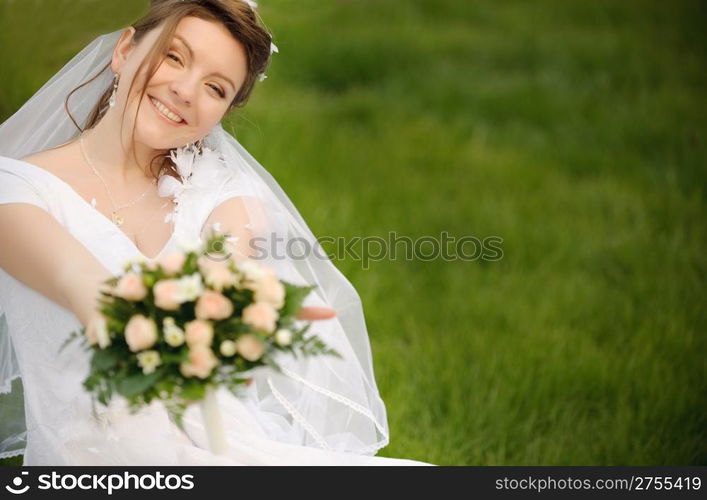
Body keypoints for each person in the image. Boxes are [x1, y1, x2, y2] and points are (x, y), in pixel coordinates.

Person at [0, 0, 433, 465]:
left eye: (215, 87)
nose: (186, 91)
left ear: (225, 111)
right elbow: (83, 285)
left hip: (221, 447)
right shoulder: (15, 190)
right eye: (174, 56)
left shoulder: (224, 193)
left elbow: (217, 281)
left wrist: (235, 308)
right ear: (125, 49)